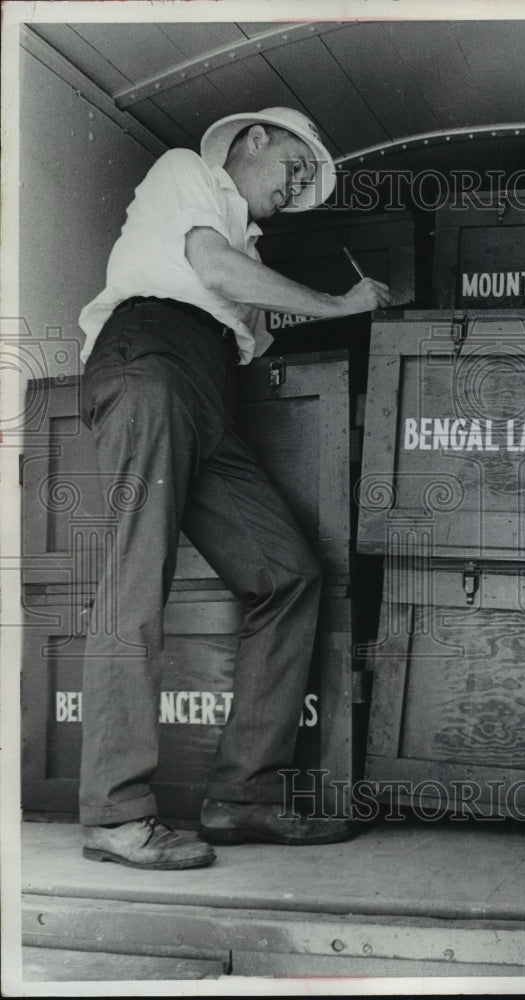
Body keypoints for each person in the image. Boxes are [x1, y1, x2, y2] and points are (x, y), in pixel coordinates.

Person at [76, 108, 391, 870]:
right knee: (134, 583)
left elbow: (247, 301)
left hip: (210, 388)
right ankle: (116, 815)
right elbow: (211, 269)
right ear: (253, 138)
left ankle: (241, 797)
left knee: (289, 574)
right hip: (149, 359)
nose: (298, 185)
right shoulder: (189, 171)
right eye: (295, 165)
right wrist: (342, 304)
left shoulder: (248, 249)